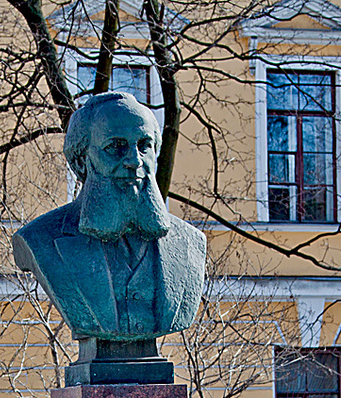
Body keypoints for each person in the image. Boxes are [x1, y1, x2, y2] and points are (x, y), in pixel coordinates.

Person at [13, 92, 206, 343]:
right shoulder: (40, 239)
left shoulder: (190, 244)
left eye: (144, 146)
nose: (134, 161)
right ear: (80, 161)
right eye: (115, 147)